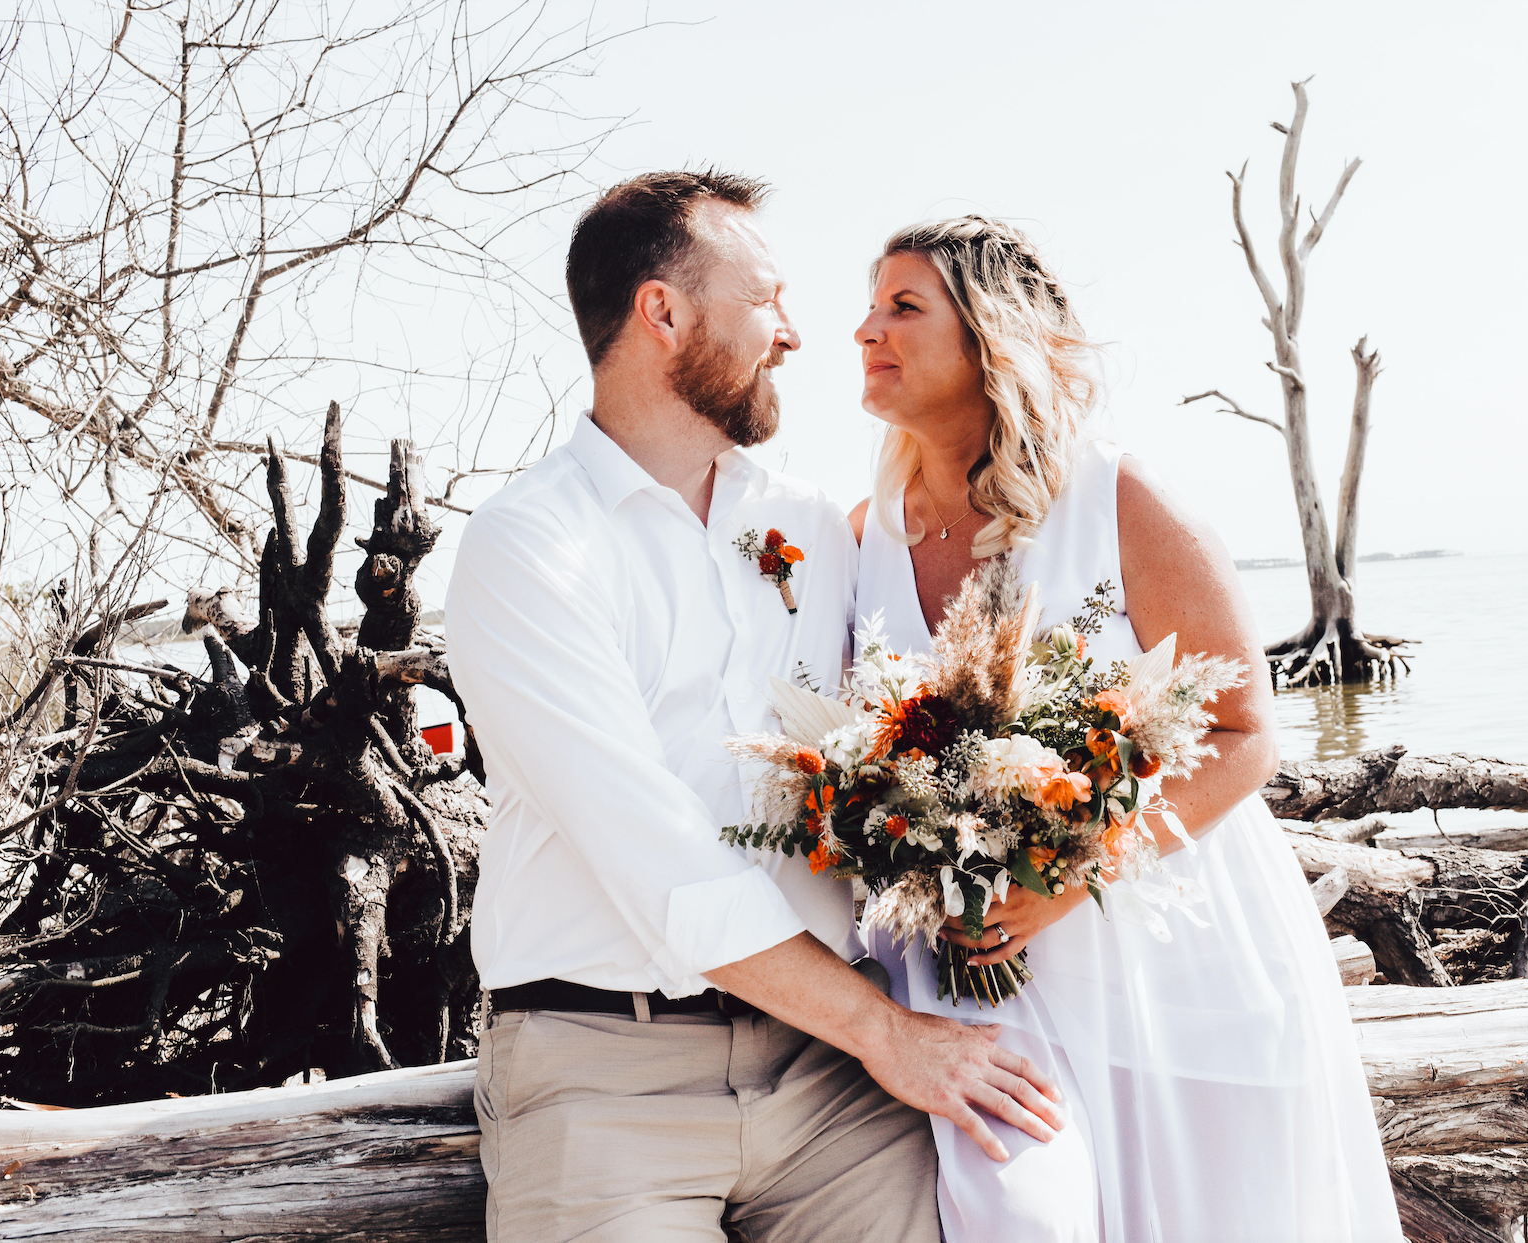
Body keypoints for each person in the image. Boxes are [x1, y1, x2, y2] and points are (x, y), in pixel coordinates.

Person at [446, 173, 1065, 1243]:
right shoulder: (530, 546)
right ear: (665, 313)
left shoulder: (816, 529)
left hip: (835, 1089)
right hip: (606, 1074)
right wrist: (890, 1034)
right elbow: (659, 860)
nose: (795, 333)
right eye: (767, 299)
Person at [849, 215, 1404, 1242]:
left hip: (1171, 956)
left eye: (902, 307)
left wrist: (1072, 870)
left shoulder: (1118, 498)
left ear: (990, 339)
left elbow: (1245, 730)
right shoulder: (862, 538)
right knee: (1023, 1213)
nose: (865, 329)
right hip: (979, 980)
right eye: (873, 304)